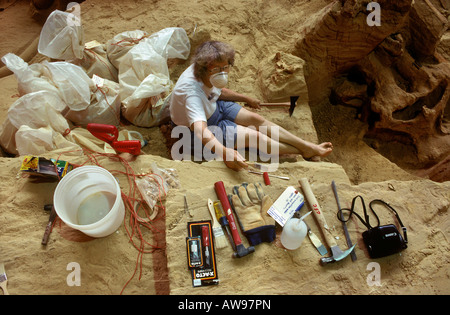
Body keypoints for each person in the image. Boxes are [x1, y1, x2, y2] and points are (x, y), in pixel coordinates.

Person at [169, 41, 333, 171]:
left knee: (257, 119)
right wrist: (225, 152)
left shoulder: (207, 71)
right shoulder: (192, 94)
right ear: (204, 68)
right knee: (254, 136)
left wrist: (245, 98)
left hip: (214, 104)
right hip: (197, 131)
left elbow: (219, 91)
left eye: (226, 67)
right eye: (218, 69)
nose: (223, 72)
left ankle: (307, 146)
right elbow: (200, 130)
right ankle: (303, 151)